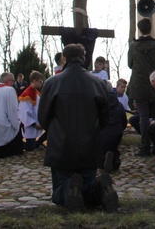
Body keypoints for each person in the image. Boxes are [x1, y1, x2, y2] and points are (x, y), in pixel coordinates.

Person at [38, 43, 117, 212]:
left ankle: (69, 188)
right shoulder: (98, 84)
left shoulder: (52, 83)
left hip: (61, 147)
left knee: (59, 191)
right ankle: (99, 191)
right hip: (89, 146)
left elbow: (43, 118)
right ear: (84, 58)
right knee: (87, 183)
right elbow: (105, 118)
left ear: (64, 58)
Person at [127, 18, 155, 156]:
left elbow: (130, 64)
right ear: (150, 29)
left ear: (139, 29)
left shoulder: (134, 46)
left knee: (143, 117)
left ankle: (144, 147)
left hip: (139, 85)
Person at [99, 82, 127, 173]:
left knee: (99, 152)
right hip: (117, 132)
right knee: (113, 147)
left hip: (103, 133)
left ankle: (104, 159)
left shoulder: (99, 104)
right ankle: (115, 161)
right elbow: (124, 121)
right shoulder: (119, 104)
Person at [18, 71, 45, 151]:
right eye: (40, 81)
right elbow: (24, 112)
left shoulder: (36, 92)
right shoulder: (27, 95)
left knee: (33, 145)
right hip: (30, 125)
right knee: (30, 147)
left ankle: (38, 144)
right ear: (34, 81)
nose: (41, 84)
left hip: (35, 122)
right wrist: (34, 124)